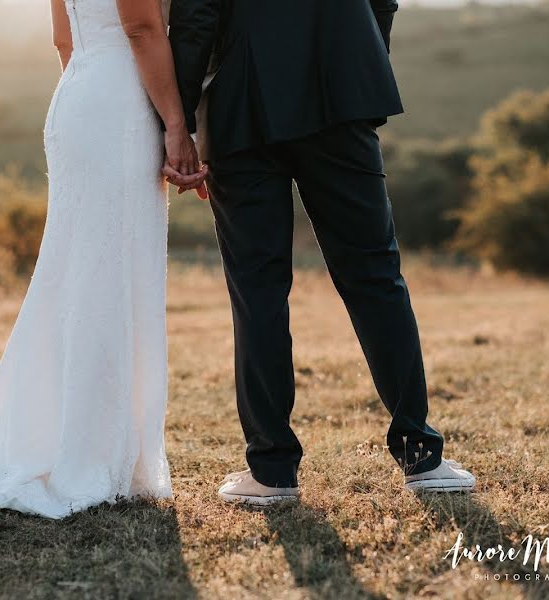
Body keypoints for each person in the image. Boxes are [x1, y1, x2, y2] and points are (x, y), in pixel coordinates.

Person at [0, 0, 206, 518]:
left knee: (76, 277)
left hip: (80, 93)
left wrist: (90, 87)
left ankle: (68, 439)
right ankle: (90, 452)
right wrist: (177, 124)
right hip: (121, 102)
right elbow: (143, 28)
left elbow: (64, 38)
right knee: (109, 279)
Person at [166, 0, 476, 503]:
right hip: (340, 92)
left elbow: (197, 15)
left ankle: (272, 470)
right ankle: (422, 456)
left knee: (257, 287)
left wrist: (179, 123)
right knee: (375, 275)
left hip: (244, 100)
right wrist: (358, 62)